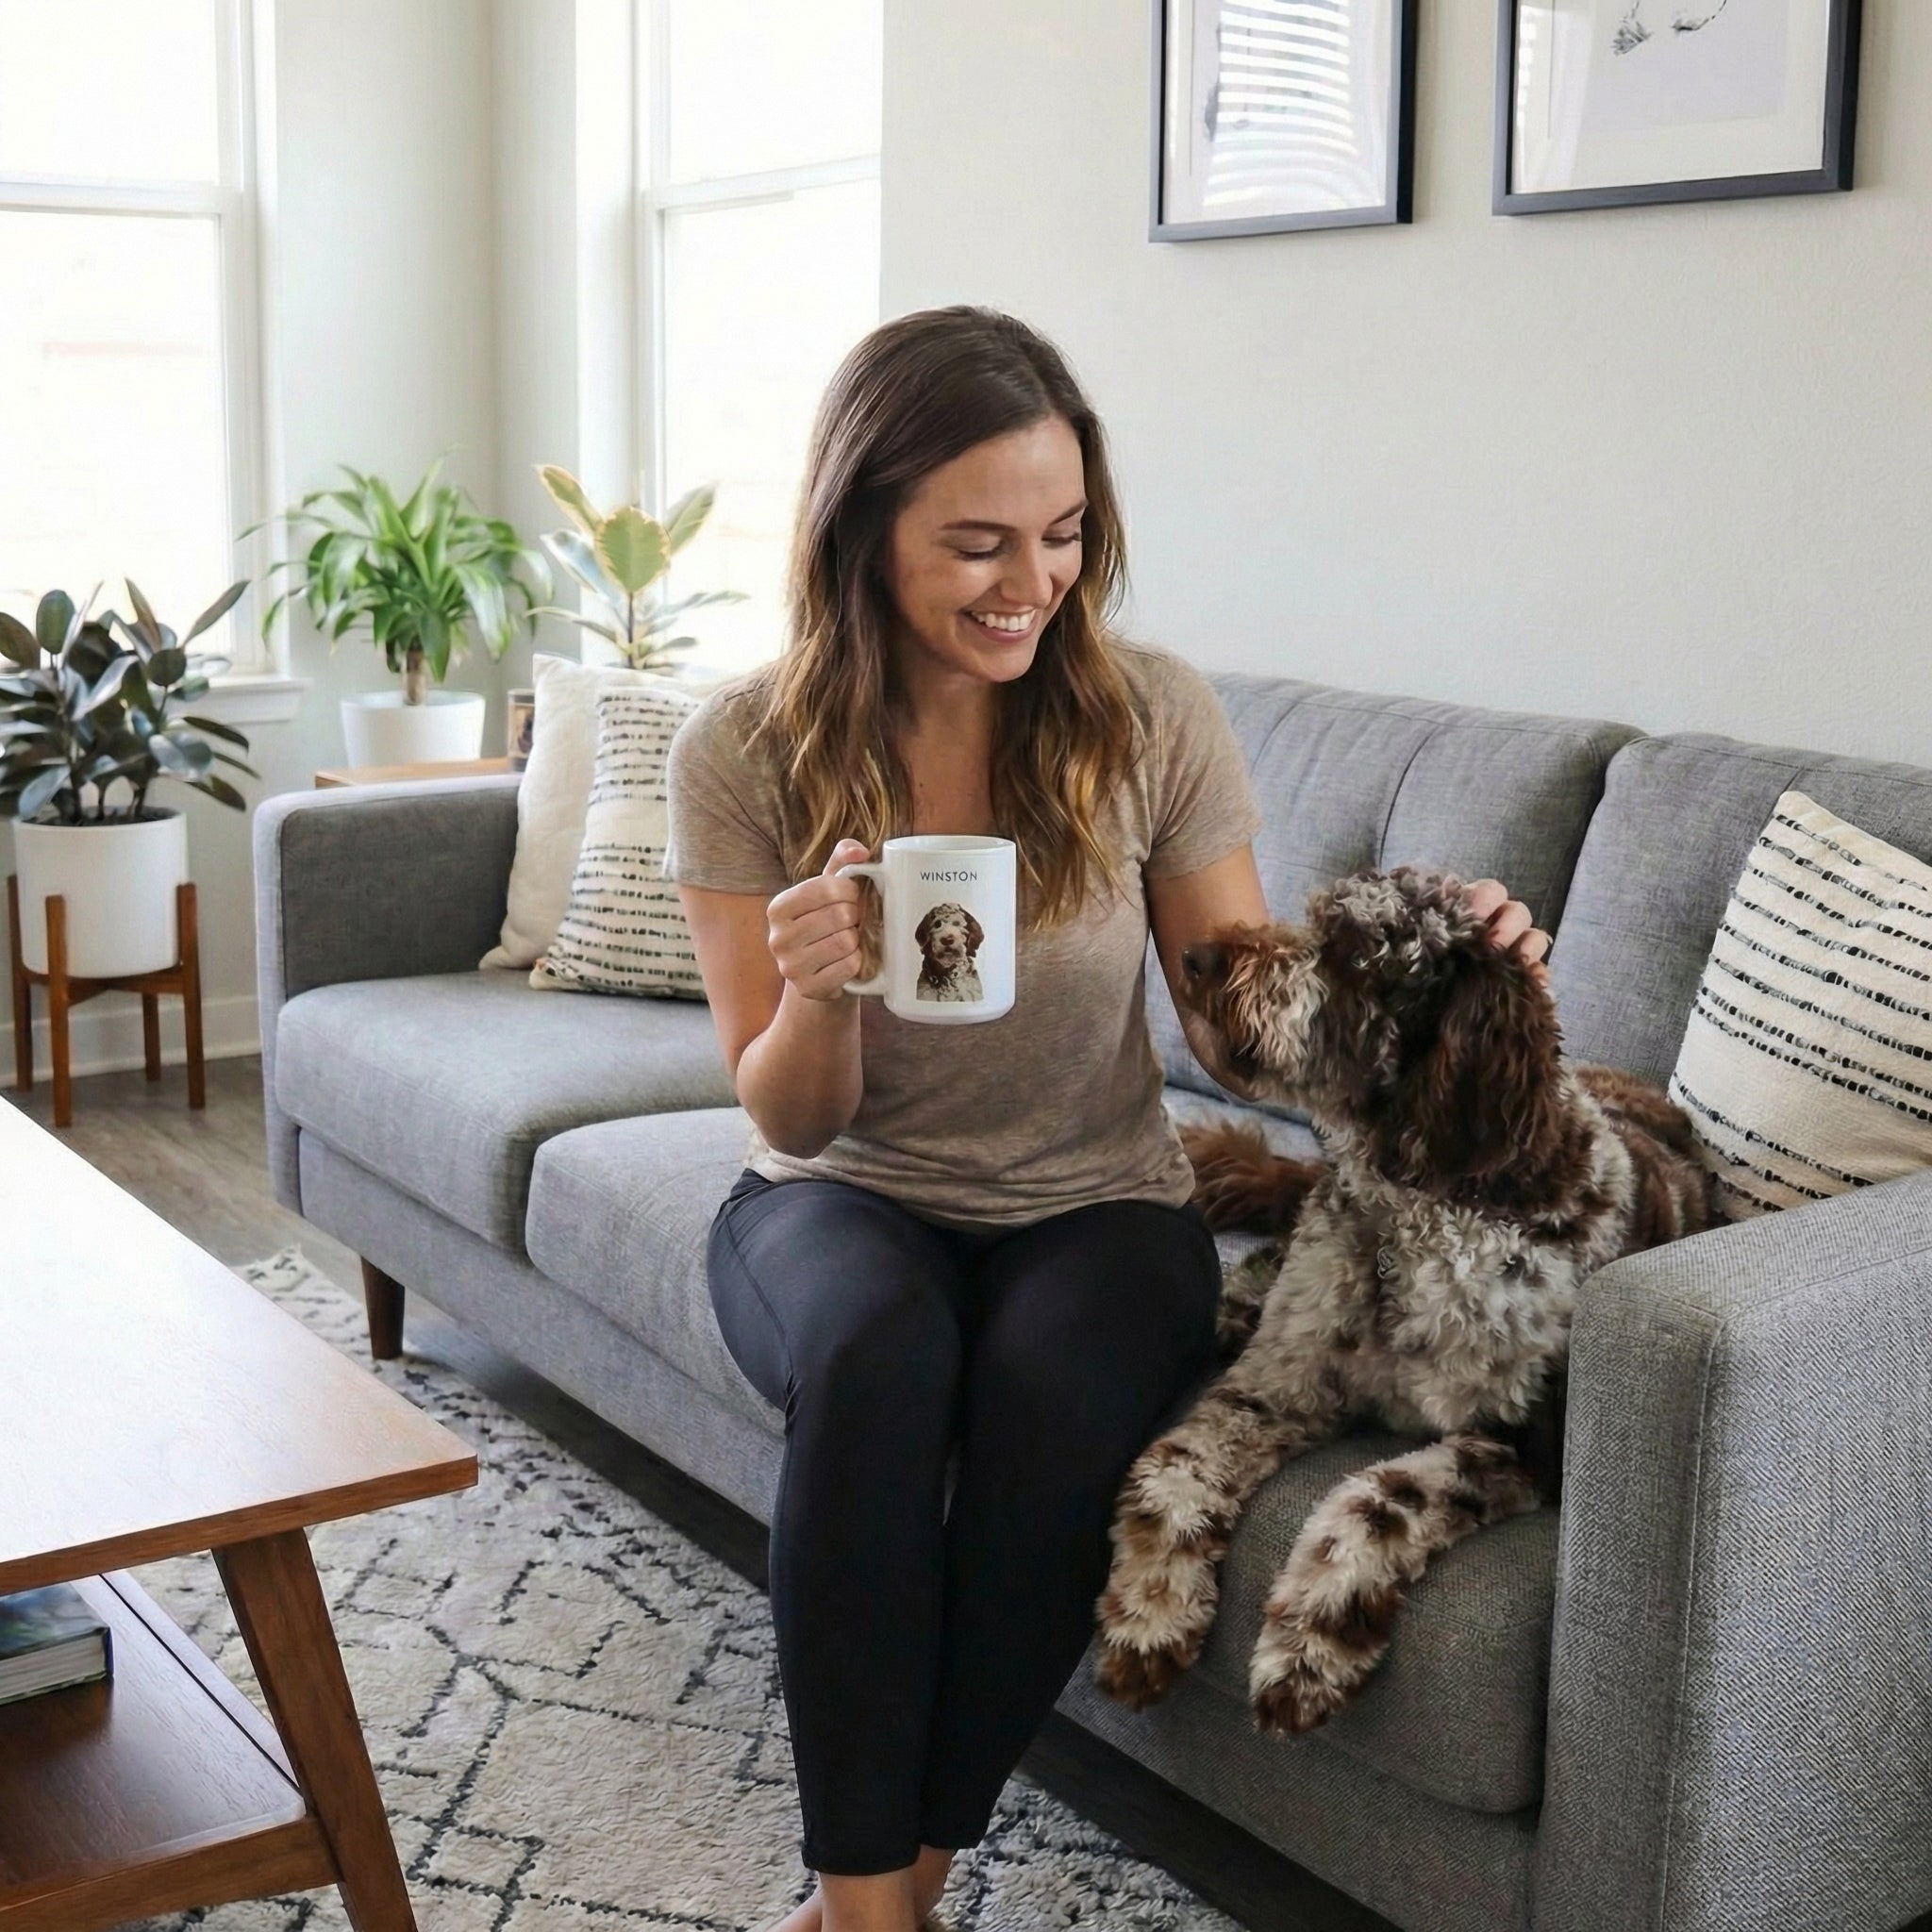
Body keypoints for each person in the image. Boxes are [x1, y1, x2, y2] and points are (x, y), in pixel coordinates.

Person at [663, 307, 1549, 1932]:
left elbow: (1238, 1018)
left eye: (1065, 536)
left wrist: (1448, 956)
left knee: (1049, 1393)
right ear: (862, 526)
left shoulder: (1144, 717)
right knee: (872, 1360)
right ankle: (865, 1906)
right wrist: (821, 990)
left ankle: (892, 1892)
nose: (1032, 581)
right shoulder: (747, 745)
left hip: (1102, 1201)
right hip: (834, 1189)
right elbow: (786, 1116)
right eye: (979, 542)